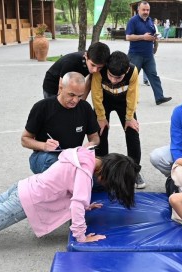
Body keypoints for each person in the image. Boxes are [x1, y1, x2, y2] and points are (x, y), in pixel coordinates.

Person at [0, 149, 140, 253]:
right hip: (25, 200)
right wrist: (81, 236)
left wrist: (86, 203)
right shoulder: (85, 173)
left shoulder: (84, 155)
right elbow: (76, 202)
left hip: (23, 187)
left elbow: (67, 185)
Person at [21, 72, 100, 174]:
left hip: (73, 158)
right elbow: (25, 139)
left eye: (80, 96)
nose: (75, 100)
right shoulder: (42, 107)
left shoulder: (85, 108)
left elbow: (95, 137)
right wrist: (44, 146)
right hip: (44, 156)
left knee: (103, 173)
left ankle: (70, 180)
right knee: (54, 163)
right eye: (71, 95)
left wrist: (91, 144)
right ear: (61, 88)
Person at [91, 51, 146, 189]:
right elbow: (96, 94)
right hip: (104, 102)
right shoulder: (101, 69)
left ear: (126, 70)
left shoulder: (132, 71)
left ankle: (133, 171)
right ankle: (102, 171)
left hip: (124, 103)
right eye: (110, 76)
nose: (114, 80)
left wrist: (129, 118)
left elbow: (133, 96)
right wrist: (101, 117)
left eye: (118, 78)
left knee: (133, 133)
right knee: (100, 133)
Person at [126, 1, 172, 105]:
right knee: (131, 77)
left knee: (154, 76)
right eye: (144, 10)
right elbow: (128, 37)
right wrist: (143, 37)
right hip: (135, 55)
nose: (146, 12)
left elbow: (152, 34)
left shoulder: (150, 21)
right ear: (138, 10)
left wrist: (155, 40)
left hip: (149, 55)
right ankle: (126, 98)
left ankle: (159, 98)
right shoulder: (133, 21)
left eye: (148, 10)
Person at [42, 42, 110, 99]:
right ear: (86, 56)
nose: (95, 70)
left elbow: (89, 81)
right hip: (52, 84)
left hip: (70, 82)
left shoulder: (97, 62)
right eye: (93, 65)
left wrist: (81, 103)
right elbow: (61, 86)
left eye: (99, 67)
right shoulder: (71, 63)